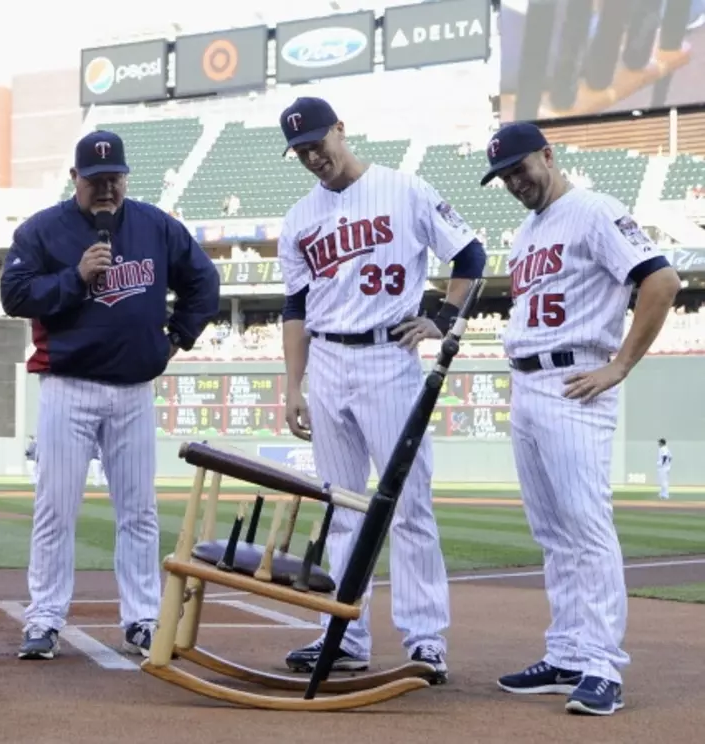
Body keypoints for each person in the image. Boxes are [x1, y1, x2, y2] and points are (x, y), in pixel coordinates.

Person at [275, 97, 487, 683]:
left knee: (409, 504)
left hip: (388, 358)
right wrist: (294, 384)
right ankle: (343, 634)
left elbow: (471, 252)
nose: (312, 155)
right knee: (341, 509)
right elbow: (295, 305)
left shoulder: (405, 189)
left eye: (318, 141)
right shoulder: (299, 218)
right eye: (300, 150)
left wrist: (443, 318)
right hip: (327, 358)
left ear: (342, 130)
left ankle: (426, 641)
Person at [482, 122, 680, 716]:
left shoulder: (594, 210)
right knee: (553, 533)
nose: (516, 181)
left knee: (586, 527)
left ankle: (600, 665)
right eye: (505, 176)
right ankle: (567, 651)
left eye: (521, 167)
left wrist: (620, 365)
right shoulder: (524, 233)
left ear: (549, 154)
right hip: (529, 381)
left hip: (576, 379)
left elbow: (662, 281)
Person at [0, 130, 220, 661]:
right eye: (95, 180)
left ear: (126, 178)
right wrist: (74, 278)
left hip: (132, 390)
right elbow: (14, 294)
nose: (106, 190)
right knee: (55, 508)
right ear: (75, 178)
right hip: (67, 387)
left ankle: (142, 617)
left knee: (139, 512)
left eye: (114, 179)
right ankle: (45, 618)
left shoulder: (155, 226)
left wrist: (177, 337)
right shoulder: (42, 231)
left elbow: (204, 281)